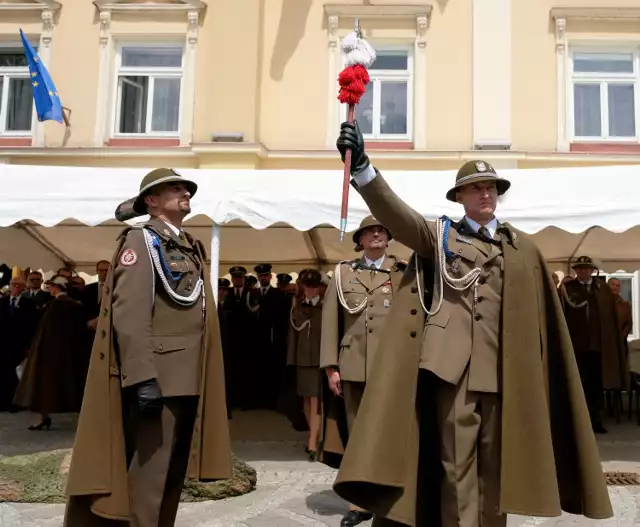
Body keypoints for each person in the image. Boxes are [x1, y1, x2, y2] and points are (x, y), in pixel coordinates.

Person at [330, 121, 613, 527]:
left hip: (503, 370)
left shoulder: (522, 248)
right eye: (477, 188)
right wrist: (363, 170)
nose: (486, 193)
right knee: (456, 467)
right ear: (459, 196)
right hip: (452, 371)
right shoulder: (439, 237)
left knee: (497, 470)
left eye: (491, 188)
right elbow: (398, 215)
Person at [64, 168, 232, 527]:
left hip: (188, 377)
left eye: (186, 188)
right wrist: (142, 377)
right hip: (161, 378)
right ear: (151, 202)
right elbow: (130, 312)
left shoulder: (186, 244)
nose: (184, 192)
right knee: (150, 477)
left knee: (172, 474)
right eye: (173, 188)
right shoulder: (142, 241)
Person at [319, 216, 404, 527]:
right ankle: (359, 501)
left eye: (381, 230)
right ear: (361, 239)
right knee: (357, 437)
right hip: (353, 365)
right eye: (370, 231)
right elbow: (330, 322)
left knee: (392, 434)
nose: (376, 234)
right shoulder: (343, 274)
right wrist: (331, 367)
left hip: (392, 368)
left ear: (388, 237)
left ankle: (393, 497)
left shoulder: (403, 272)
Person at [560, 256, 627, 432]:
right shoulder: (567, 289)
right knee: (578, 384)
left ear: (592, 270)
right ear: (575, 271)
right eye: (580, 269)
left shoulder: (603, 289)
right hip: (577, 347)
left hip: (598, 347)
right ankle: (578, 422)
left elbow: (611, 319)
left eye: (587, 268)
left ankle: (596, 420)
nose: (583, 271)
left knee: (596, 386)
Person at [14, 275, 88, 430]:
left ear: (56, 288)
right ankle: (80, 418)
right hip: (73, 351)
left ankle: (44, 417)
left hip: (50, 352)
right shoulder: (76, 305)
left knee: (44, 384)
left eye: (51, 286)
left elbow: (44, 332)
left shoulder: (53, 306)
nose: (49, 289)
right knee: (75, 382)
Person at [287, 269, 325, 459]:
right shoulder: (297, 308)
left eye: (313, 286)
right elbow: (293, 337)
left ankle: (312, 443)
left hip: (320, 359)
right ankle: (317, 436)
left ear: (318, 287)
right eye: (307, 287)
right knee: (305, 402)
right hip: (303, 359)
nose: (310, 290)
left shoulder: (326, 308)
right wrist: (291, 360)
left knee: (316, 400)